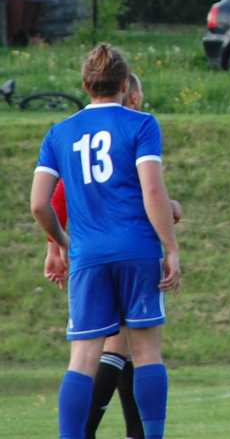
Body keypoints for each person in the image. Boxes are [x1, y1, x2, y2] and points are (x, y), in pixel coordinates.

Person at [31, 44, 180, 439]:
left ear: (85, 84)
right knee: (146, 352)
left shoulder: (59, 132)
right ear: (124, 82)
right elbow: (151, 192)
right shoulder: (141, 124)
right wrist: (172, 248)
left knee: (82, 359)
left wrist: (61, 242)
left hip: (88, 256)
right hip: (137, 249)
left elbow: (39, 203)